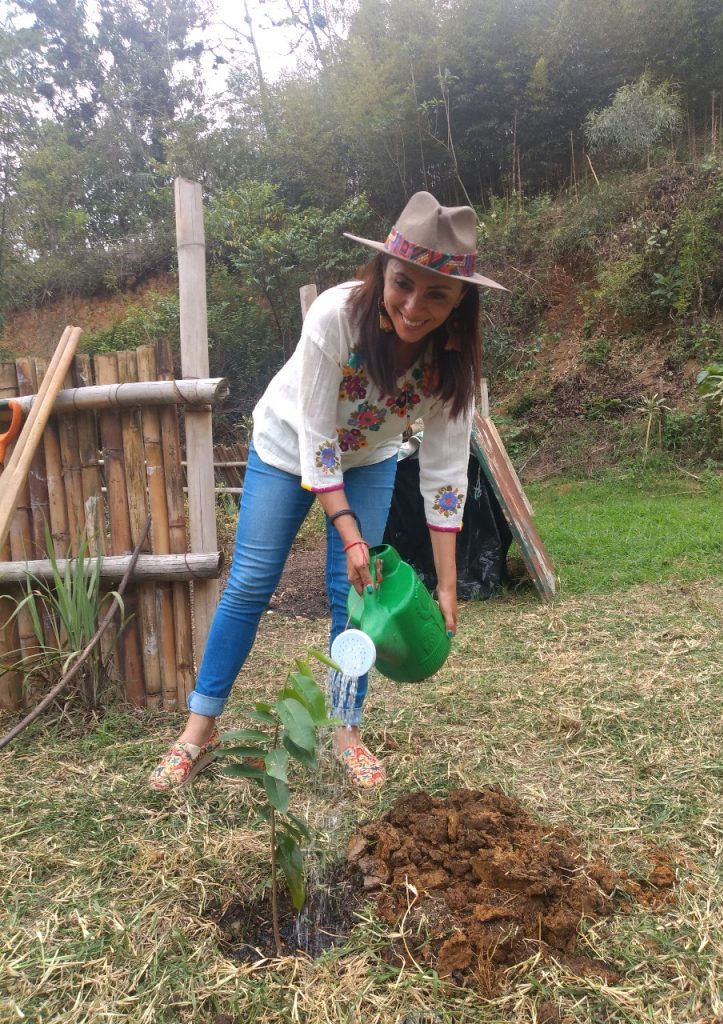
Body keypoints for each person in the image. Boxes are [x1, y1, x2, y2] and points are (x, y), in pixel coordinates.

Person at [148, 191, 506, 793]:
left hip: (368, 459)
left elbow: (445, 475)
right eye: (403, 285)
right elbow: (317, 436)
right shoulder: (337, 316)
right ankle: (197, 733)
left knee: (353, 596)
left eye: (437, 294)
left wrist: (446, 583)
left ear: (460, 300)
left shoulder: (451, 365)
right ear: (382, 274)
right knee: (252, 583)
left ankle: (346, 731)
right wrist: (348, 532)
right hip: (286, 449)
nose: (415, 306)